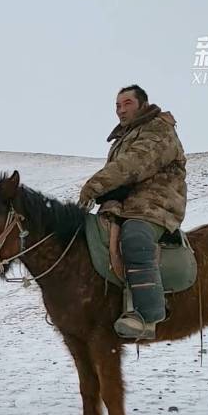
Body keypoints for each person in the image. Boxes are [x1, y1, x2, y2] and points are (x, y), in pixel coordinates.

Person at [77, 84, 188, 339]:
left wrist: (94, 186)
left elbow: (133, 165)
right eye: (117, 105)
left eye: (127, 103)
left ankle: (147, 316)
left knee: (135, 237)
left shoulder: (158, 130)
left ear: (143, 105)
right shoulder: (124, 137)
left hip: (155, 205)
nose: (120, 110)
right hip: (125, 207)